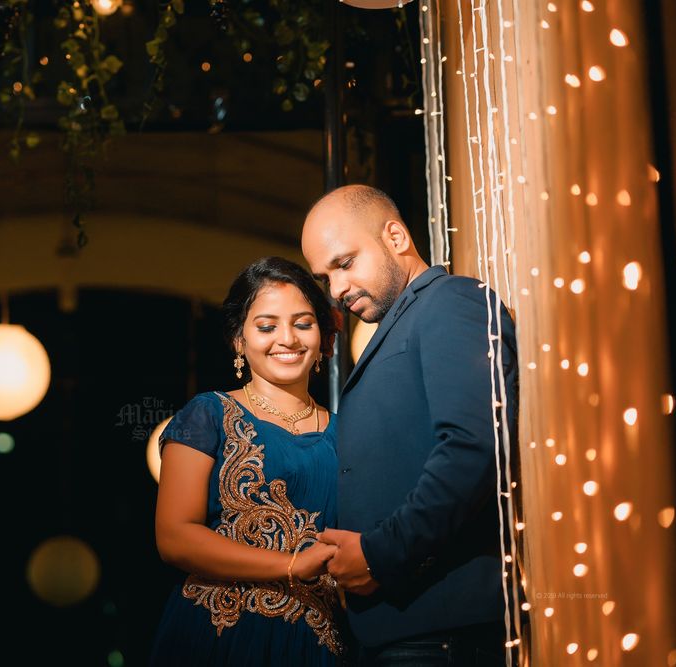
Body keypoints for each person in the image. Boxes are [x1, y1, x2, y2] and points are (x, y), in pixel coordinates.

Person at [301, 185, 518, 666]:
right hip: (401, 631)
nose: (336, 290)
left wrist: (381, 554)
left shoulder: (452, 301)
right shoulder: (402, 322)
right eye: (325, 277)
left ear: (395, 236)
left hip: (441, 632)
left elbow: (473, 447)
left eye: (345, 263)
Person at [150, 256, 345, 666]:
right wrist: (291, 565)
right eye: (267, 326)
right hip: (218, 633)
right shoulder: (207, 415)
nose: (287, 339)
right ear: (239, 339)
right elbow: (174, 537)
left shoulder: (347, 433)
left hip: (314, 642)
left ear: (324, 337)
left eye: (303, 323)